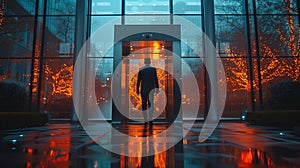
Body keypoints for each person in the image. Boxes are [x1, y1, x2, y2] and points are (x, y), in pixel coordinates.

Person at [136, 58, 159, 126]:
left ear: (144, 62)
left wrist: (137, 89)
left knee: (144, 104)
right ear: (150, 62)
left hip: (143, 89)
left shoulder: (141, 69)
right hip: (151, 89)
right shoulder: (153, 69)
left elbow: (138, 81)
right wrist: (157, 88)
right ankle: (150, 119)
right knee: (151, 104)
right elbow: (156, 79)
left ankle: (145, 119)